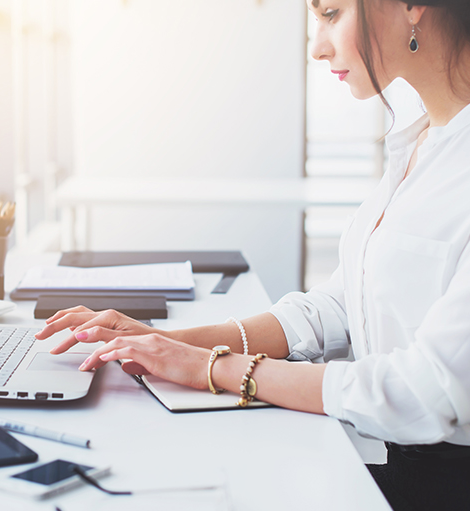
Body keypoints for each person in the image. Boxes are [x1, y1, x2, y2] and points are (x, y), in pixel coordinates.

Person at [35, 1, 470, 509]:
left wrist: (213, 368)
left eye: (331, 13)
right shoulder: (421, 140)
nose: (317, 46)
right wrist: (166, 342)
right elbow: (339, 307)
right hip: (400, 464)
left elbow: (427, 392)